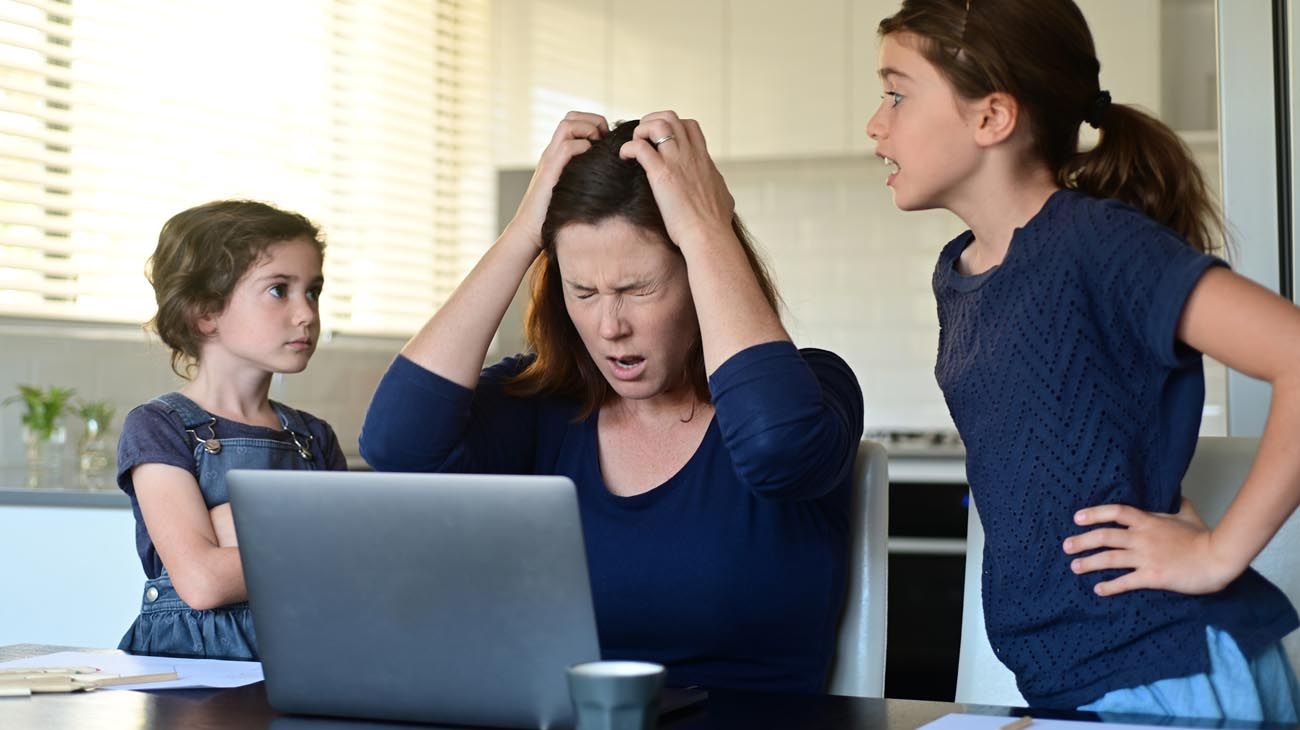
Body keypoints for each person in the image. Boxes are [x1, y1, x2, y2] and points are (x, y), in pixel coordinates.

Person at [865, 0, 1300, 720]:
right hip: (1078, 684)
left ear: (991, 117)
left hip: (1169, 673)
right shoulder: (960, 274)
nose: (876, 125)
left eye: (896, 93)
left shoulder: (1092, 242)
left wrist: (1218, 553)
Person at [360, 112, 864, 693]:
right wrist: (526, 231)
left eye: (637, 289)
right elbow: (396, 445)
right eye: (584, 292)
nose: (609, 327)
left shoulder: (812, 392)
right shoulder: (539, 406)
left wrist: (707, 229)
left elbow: (778, 449)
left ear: (703, 274)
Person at [116, 200, 348, 659]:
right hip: (189, 673)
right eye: (279, 290)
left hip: (304, 656)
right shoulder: (159, 427)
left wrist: (231, 526)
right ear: (205, 312)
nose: (307, 314)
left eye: (313, 292)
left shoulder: (314, 437)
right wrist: (316, 546)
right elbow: (202, 582)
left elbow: (358, 561)